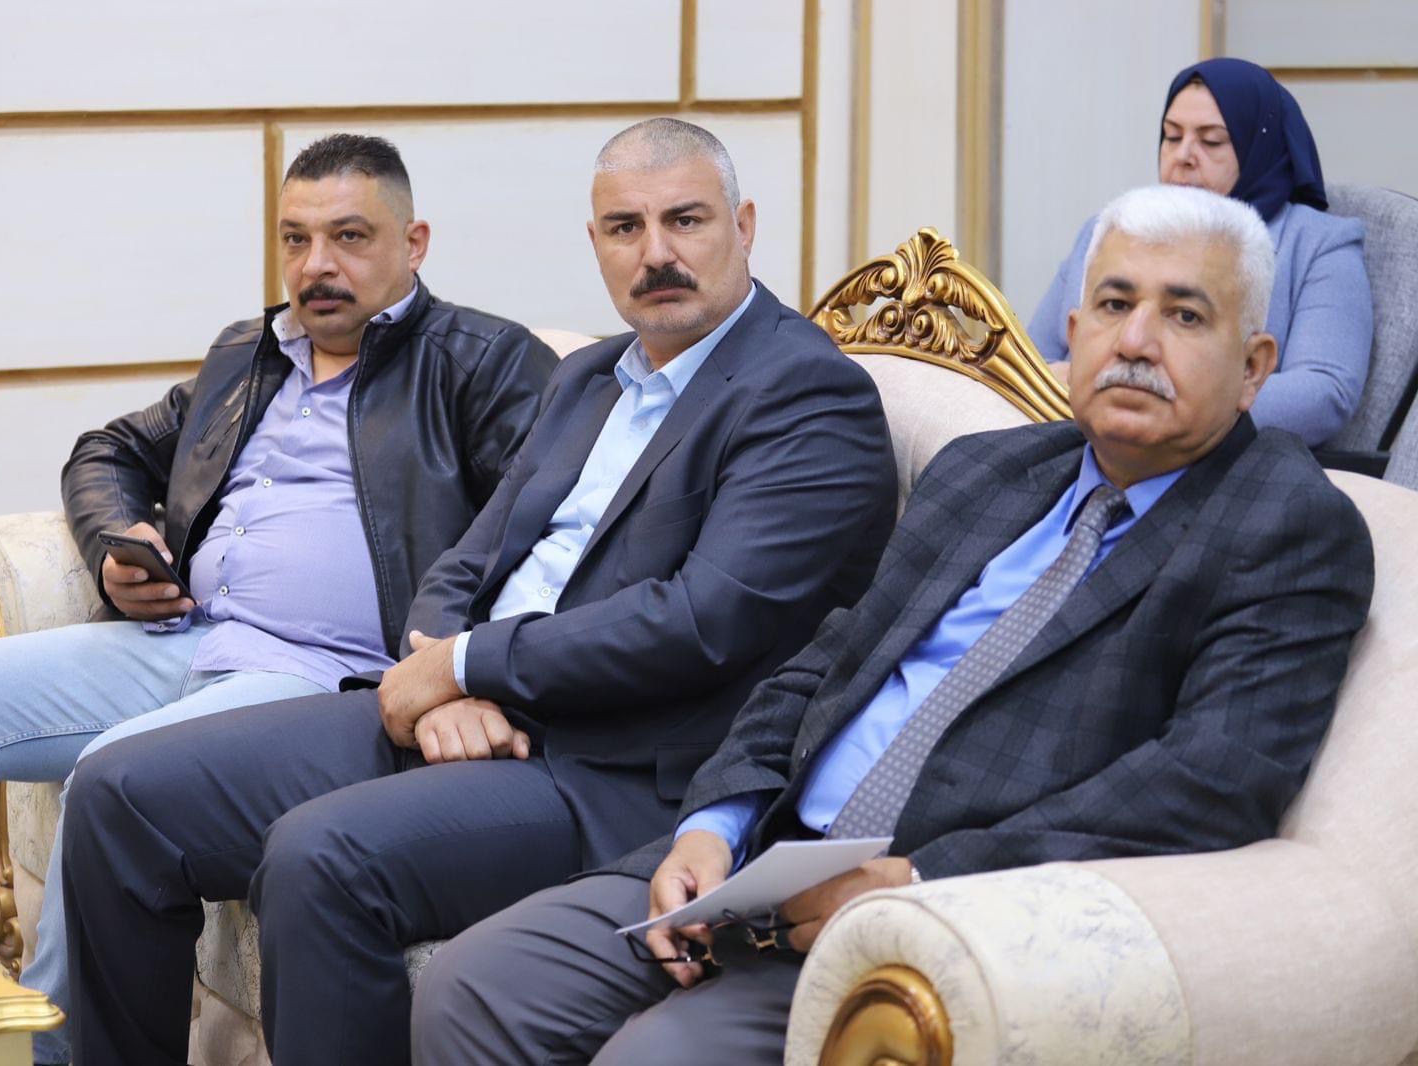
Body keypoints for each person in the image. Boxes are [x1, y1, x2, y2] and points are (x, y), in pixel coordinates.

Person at [411, 183, 1376, 1065]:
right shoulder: (991, 472)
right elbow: (821, 665)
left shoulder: (1286, 526)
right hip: (756, 861)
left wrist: (911, 880)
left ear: (1254, 368)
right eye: (1116, 305)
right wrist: (713, 823)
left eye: (1185, 315)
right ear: (1075, 332)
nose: (1137, 341)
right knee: (470, 988)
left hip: (940, 916)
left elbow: (1207, 785)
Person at [58, 117, 894, 1066]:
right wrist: (441, 673)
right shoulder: (591, 378)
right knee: (119, 797)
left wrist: (469, 665)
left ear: (743, 226)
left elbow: (701, 621)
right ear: (596, 243)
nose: (655, 253)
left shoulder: (806, 393)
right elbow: (466, 557)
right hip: (470, 712)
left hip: (613, 770)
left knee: (318, 857)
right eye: (625, 228)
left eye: (686, 220)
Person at [0, 133, 557, 1065]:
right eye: (295, 239)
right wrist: (115, 545)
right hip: (189, 637)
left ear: (414, 242)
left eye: (350, 236)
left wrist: (455, 664)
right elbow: (110, 449)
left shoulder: (480, 362)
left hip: (321, 678)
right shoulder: (249, 354)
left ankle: (44, 1055)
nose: (317, 266)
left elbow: (545, 526)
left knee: (109, 774)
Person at [1030, 56, 1372, 447]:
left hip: (1232, 465)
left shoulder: (1318, 243)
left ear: (1259, 148)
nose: (1184, 155)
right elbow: (1033, 357)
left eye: (1211, 141)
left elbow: (1323, 394)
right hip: (1074, 446)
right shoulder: (1111, 230)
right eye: (1172, 137)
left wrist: (1171, 406)